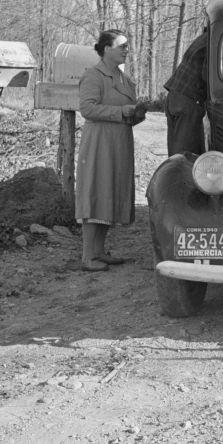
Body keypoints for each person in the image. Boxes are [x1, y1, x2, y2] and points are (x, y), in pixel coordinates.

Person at [76, 29, 147, 272]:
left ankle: (99, 251)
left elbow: (128, 112)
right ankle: (87, 256)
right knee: (95, 192)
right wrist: (121, 113)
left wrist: (137, 114)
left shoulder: (125, 79)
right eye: (122, 46)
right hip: (99, 143)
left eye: (127, 47)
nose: (127, 51)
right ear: (106, 48)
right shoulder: (93, 75)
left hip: (120, 143)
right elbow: (87, 109)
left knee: (110, 194)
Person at [163, 31, 207, 156]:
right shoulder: (214, 40)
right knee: (186, 156)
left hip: (175, 94)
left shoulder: (202, 38)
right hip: (188, 99)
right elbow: (206, 75)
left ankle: (173, 175)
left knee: (175, 153)